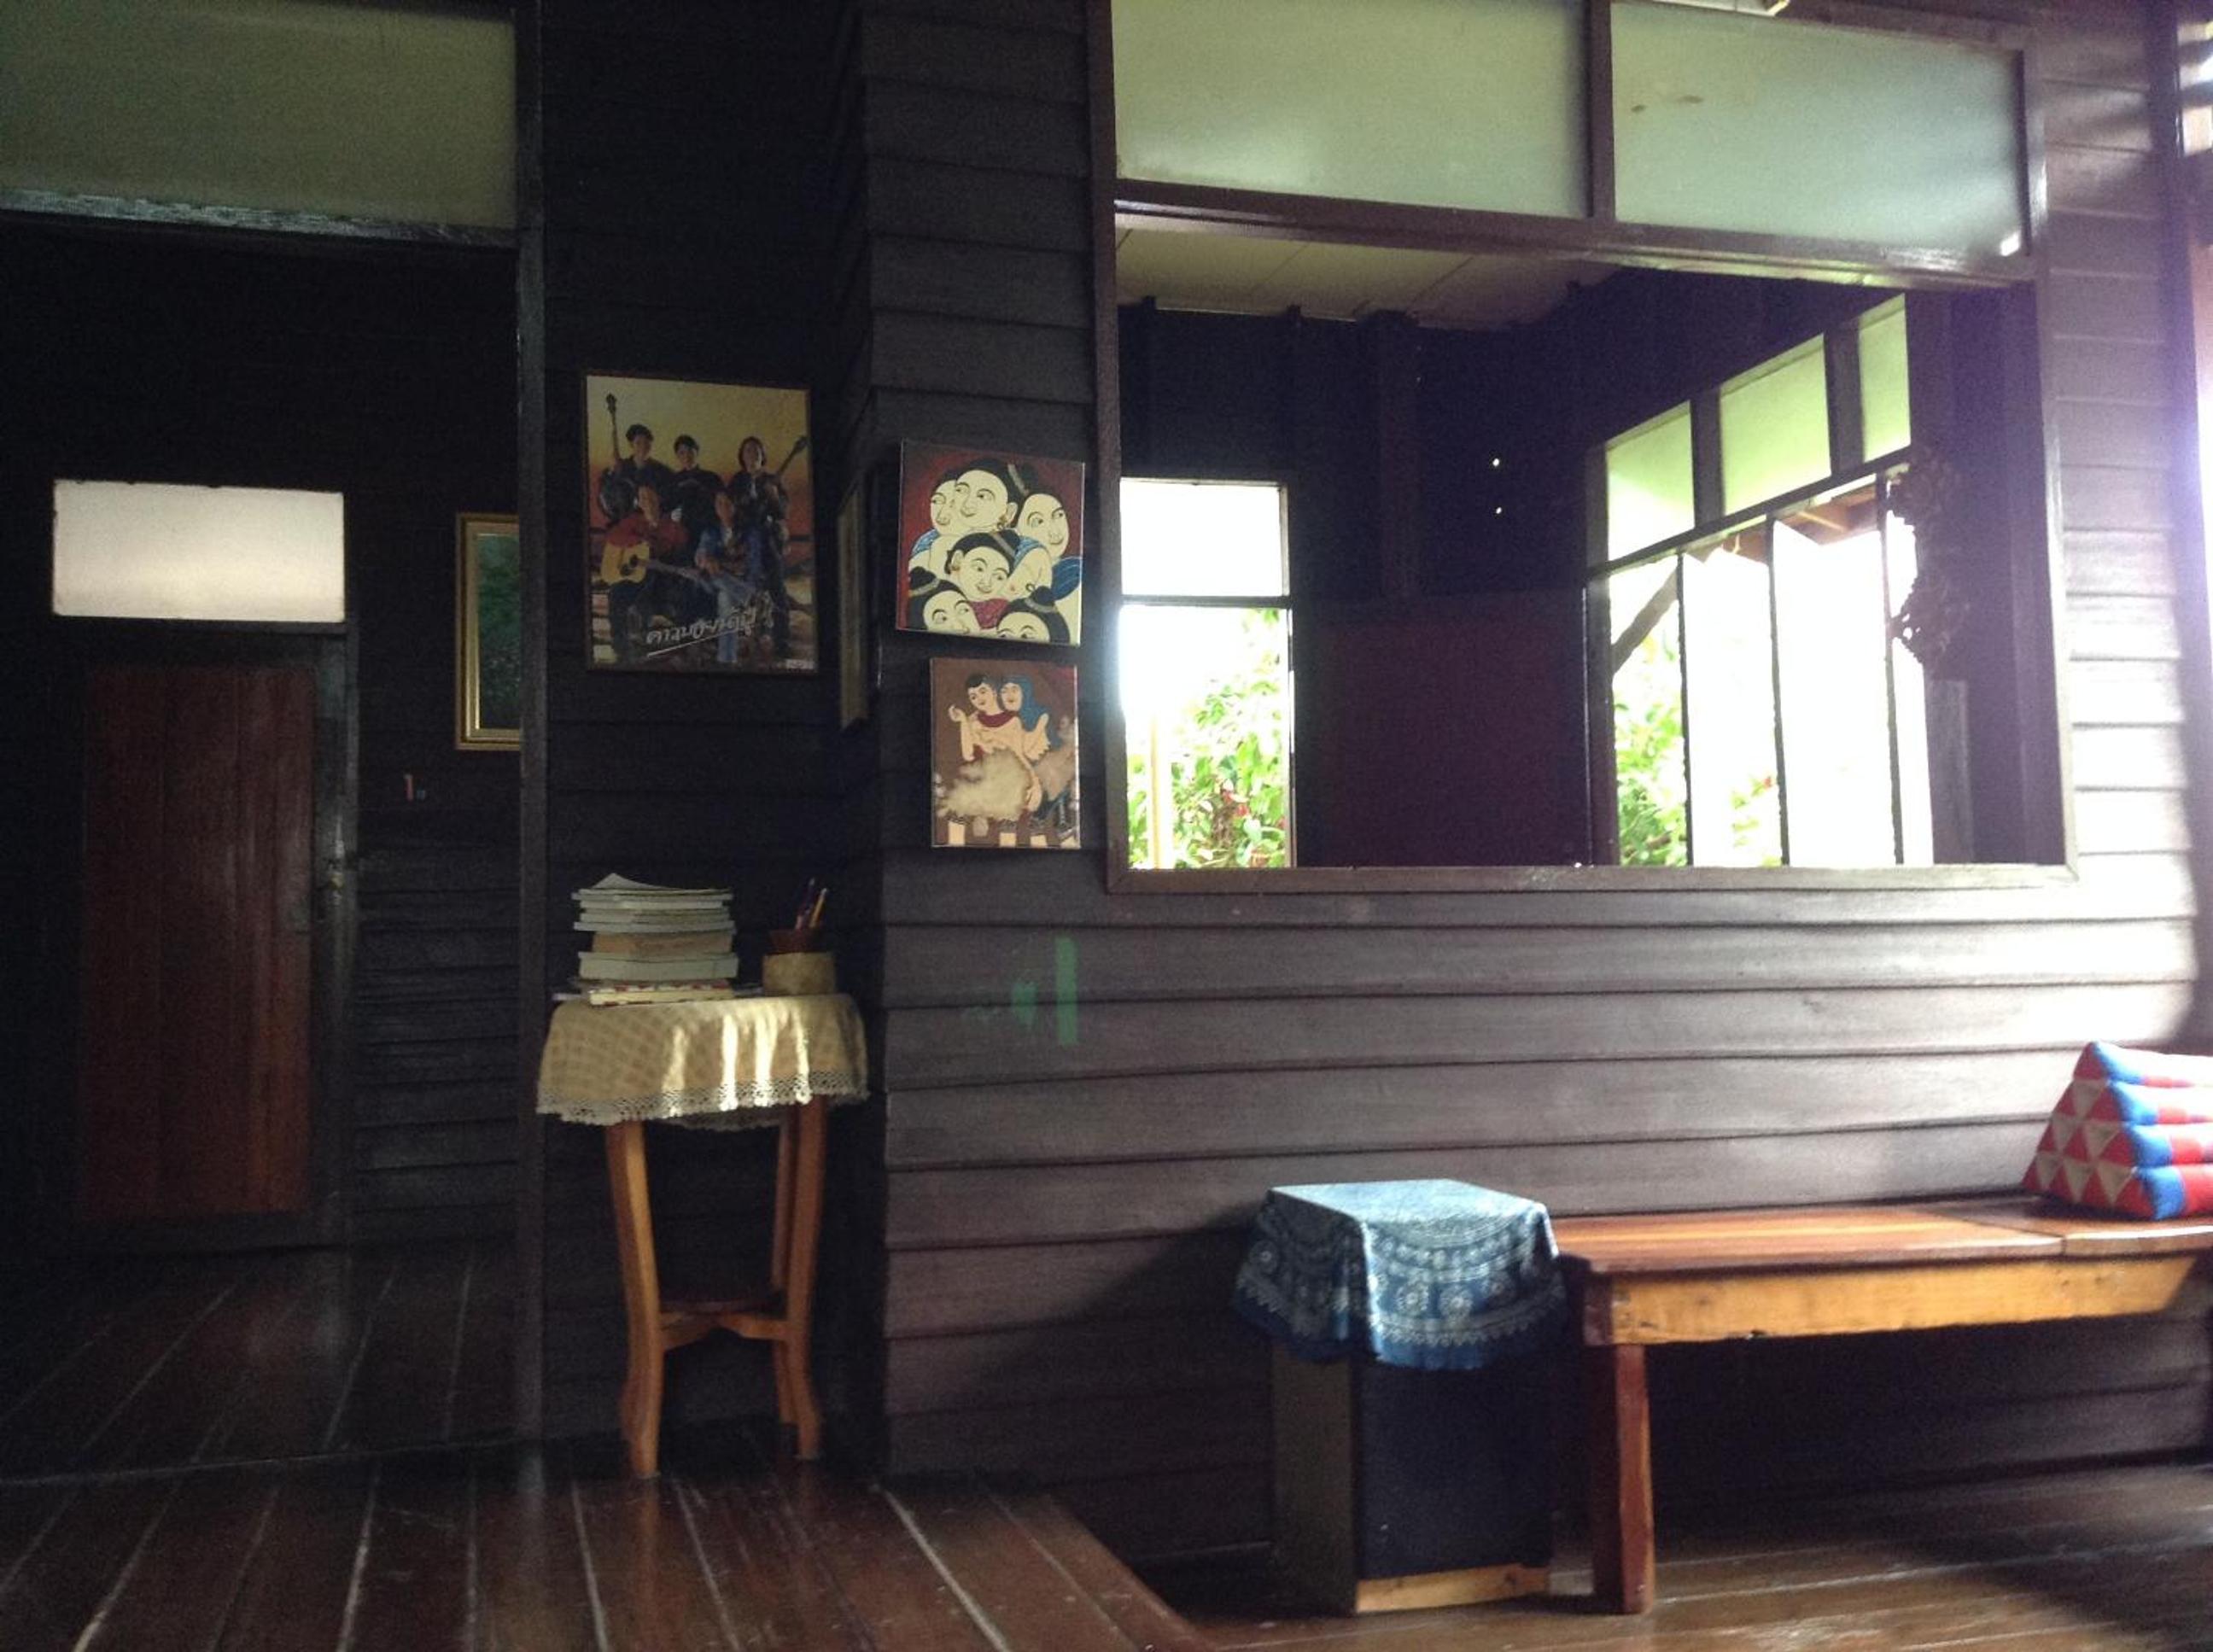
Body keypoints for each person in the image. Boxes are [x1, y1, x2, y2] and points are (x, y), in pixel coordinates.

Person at [598, 482, 691, 660]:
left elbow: (681, 549)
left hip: (662, 579)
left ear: (659, 498)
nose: (646, 501)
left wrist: (669, 538)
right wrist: (639, 541)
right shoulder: (633, 521)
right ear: (638, 502)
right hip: (636, 578)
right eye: (642, 498)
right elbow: (613, 536)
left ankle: (676, 646)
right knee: (616, 595)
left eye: (650, 496)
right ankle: (622, 649)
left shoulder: (671, 525)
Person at [727, 435, 792, 657]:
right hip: (745, 543)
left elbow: (782, 512)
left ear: (762, 455)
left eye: (756, 451)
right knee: (744, 592)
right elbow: (729, 511)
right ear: (742, 456)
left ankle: (781, 641)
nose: (752, 454)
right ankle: (745, 639)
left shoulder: (772, 480)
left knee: (777, 590)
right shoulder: (737, 481)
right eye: (748, 450)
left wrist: (773, 498)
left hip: (768, 541)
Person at [694, 487, 768, 664]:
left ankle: (726, 659)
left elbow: (754, 564)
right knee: (715, 579)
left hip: (741, 581)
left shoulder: (750, 532)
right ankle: (749, 597)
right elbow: (701, 552)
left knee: (726, 600)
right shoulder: (711, 531)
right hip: (714, 581)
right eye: (719, 503)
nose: (723, 507)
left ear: (735, 506)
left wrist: (747, 581)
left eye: (727, 503)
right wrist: (705, 560)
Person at [666, 435, 722, 550]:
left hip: (707, 529)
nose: (687, 456)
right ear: (677, 456)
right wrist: (672, 515)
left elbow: (722, 504)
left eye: (690, 451)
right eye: (682, 453)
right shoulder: (673, 481)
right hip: (681, 531)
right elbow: (668, 506)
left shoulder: (711, 478)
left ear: (697, 452)